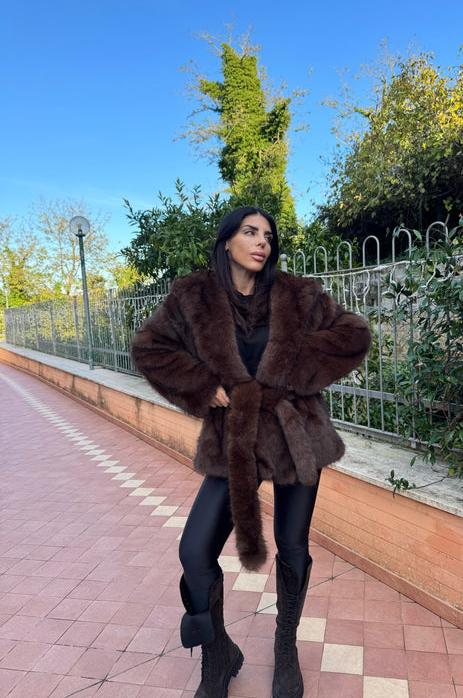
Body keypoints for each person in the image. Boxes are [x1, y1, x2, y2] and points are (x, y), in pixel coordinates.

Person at [130, 206, 371, 698]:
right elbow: (150, 348)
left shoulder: (298, 294)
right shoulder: (194, 297)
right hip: (236, 438)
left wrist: (290, 373)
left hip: (294, 434)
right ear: (227, 242)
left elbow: (354, 334)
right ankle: (218, 653)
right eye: (250, 232)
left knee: (293, 543)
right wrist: (205, 386)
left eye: (268, 235)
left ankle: (285, 647)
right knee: (194, 549)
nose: (262, 242)